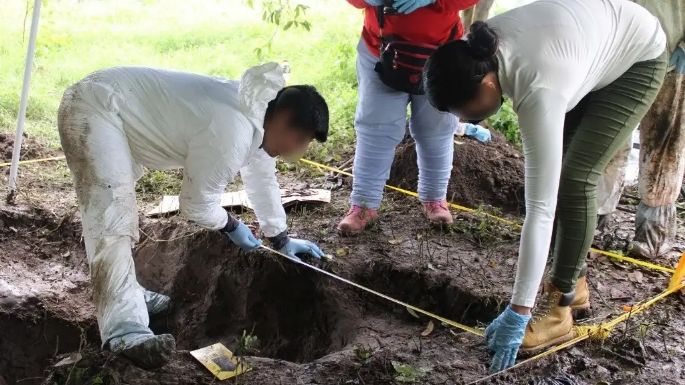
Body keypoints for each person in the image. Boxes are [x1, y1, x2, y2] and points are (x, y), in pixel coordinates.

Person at [423, 0, 666, 373]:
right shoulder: (481, 50)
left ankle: (559, 310)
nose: (463, 118)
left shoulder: (539, 87)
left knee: (575, 178)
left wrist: (519, 310)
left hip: (637, 58)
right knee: (562, 166)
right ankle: (577, 280)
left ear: (487, 83)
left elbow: (541, 208)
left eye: (463, 109)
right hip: (586, 48)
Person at [57, 63, 329, 369]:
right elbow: (196, 205)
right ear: (285, 123)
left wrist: (280, 237)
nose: (299, 151)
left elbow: (262, 177)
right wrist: (231, 225)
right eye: (302, 141)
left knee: (115, 209)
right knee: (111, 216)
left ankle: (127, 295)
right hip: (97, 109)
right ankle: (126, 331)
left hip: (119, 111)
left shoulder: (256, 115)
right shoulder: (233, 129)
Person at [339, 0, 485, 235]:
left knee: (437, 127)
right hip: (381, 49)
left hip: (442, 52)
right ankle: (363, 205)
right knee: (375, 127)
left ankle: (435, 198)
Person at [597, 0, 685, 260]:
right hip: (623, 51)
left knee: (664, 145)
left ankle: (652, 236)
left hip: (673, 51)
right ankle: (591, 219)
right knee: (608, 138)